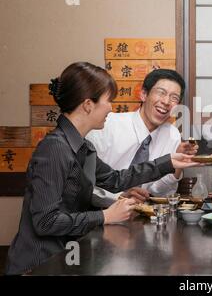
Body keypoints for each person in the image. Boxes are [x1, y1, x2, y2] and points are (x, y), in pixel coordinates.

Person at [5, 62, 199, 275]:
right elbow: (46, 221)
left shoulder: (83, 147)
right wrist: (105, 216)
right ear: (88, 105)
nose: (111, 108)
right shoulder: (54, 148)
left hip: (68, 257)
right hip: (39, 265)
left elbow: (116, 179)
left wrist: (169, 162)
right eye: (108, 101)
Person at [86, 69, 198, 207]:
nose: (166, 102)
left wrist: (178, 167)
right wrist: (117, 197)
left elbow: (160, 192)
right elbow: (82, 184)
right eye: (161, 93)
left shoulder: (172, 135)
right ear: (144, 94)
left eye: (174, 98)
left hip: (141, 215)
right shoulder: (106, 125)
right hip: (99, 213)